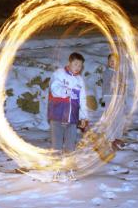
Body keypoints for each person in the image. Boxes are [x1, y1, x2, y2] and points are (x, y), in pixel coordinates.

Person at [48, 52, 89, 181]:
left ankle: (70, 169)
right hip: (58, 116)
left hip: (72, 118)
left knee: (70, 146)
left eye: (80, 66)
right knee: (57, 146)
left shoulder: (79, 80)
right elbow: (54, 89)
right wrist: (68, 91)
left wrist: (84, 117)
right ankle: (56, 170)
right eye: (75, 64)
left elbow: (82, 100)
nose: (78, 67)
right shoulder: (59, 74)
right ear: (69, 62)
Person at [101, 53, 125, 151]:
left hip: (119, 98)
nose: (112, 62)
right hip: (110, 97)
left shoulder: (120, 73)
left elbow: (122, 86)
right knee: (111, 119)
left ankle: (117, 137)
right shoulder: (107, 72)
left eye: (115, 61)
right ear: (108, 62)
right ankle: (110, 140)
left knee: (119, 118)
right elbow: (107, 85)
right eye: (110, 60)